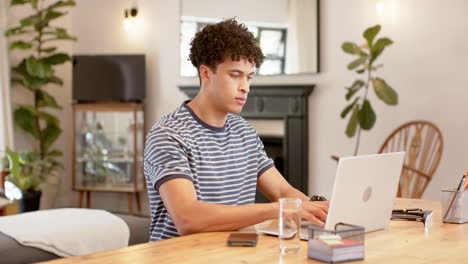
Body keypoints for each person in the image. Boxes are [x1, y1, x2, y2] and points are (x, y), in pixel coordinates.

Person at [144, 18, 328, 242]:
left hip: (235, 253)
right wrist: (277, 210)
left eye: (249, 77)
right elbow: (188, 219)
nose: (245, 87)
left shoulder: (244, 132)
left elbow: (283, 193)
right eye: (235, 75)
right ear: (206, 74)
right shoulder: (168, 134)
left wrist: (321, 211)